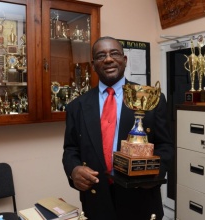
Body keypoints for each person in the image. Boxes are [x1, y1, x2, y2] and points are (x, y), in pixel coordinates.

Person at [62, 36, 173, 220]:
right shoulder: (77, 106)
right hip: (96, 200)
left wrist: (152, 175)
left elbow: (165, 146)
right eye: (101, 55)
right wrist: (73, 170)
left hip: (140, 201)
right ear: (93, 64)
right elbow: (70, 149)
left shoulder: (151, 98)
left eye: (114, 53)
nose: (108, 59)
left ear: (124, 60)